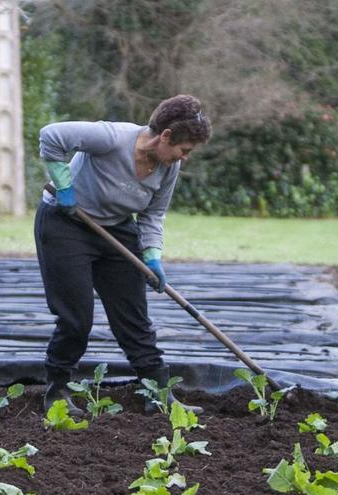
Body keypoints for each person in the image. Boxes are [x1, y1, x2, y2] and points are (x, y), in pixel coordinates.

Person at [35, 94, 212, 415]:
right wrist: (64, 185)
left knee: (134, 316)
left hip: (115, 229)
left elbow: (153, 215)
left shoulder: (166, 168)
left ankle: (157, 392)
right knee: (77, 318)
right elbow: (51, 135)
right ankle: (57, 391)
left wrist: (152, 256)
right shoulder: (112, 137)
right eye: (183, 150)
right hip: (67, 224)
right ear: (166, 136)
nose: (184, 158)